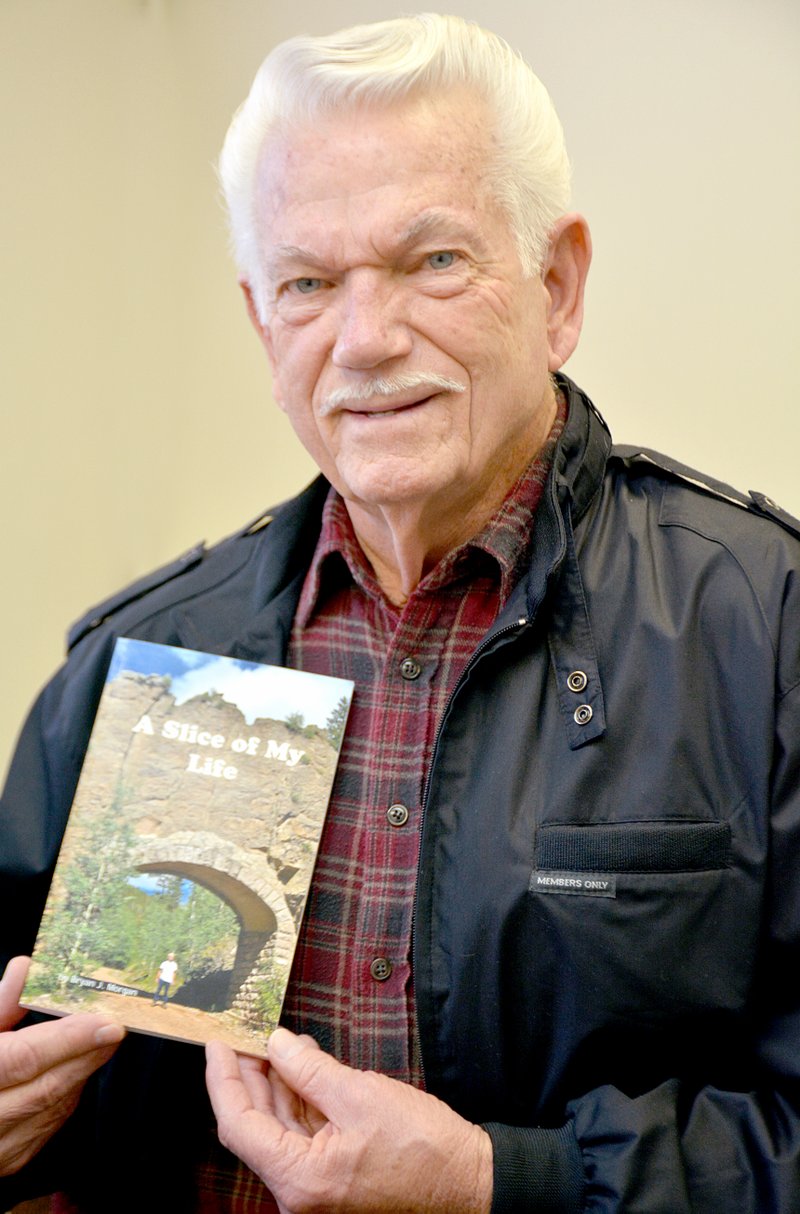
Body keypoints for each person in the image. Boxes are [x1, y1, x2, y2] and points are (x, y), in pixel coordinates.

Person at [0, 11, 799, 1212]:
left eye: (432, 261)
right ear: (261, 318)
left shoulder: (766, 626)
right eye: (308, 281)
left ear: (557, 282)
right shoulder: (142, 660)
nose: (364, 341)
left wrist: (503, 1180)